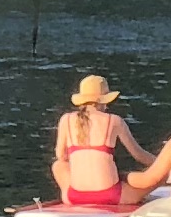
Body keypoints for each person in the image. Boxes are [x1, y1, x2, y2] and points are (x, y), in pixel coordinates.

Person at [47, 74, 153, 209]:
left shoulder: (66, 119)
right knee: (156, 177)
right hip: (111, 196)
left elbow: (61, 156)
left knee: (58, 165)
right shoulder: (114, 120)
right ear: (103, 100)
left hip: (74, 197)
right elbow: (139, 155)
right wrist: (162, 166)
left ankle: (75, 192)